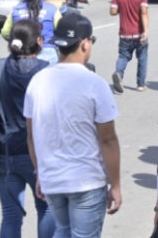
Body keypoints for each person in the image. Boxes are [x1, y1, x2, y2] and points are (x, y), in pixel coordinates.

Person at [25, 13, 122, 237]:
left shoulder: (38, 81)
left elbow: (31, 136)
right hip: (86, 181)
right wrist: (115, 185)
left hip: (52, 179)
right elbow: (108, 139)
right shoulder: (95, 84)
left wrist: (41, 173)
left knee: (63, 230)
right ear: (85, 43)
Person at [0, 20, 55, 238]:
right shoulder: (46, 72)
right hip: (38, 156)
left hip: (3, 154)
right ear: (38, 41)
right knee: (46, 209)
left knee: (10, 214)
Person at [1, 0, 62, 64]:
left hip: (21, 52)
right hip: (48, 53)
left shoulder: (16, 10)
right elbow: (61, 31)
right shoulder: (52, 10)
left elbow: (5, 32)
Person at [110, 0, 149, 93]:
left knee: (123, 56)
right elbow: (144, 13)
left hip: (124, 33)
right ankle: (141, 84)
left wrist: (122, 8)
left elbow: (113, 12)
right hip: (139, 33)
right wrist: (146, 31)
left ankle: (119, 73)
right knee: (142, 58)